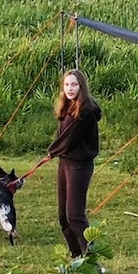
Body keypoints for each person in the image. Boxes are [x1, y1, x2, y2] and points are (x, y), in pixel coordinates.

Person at [40, 68, 102, 259]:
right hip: (65, 163)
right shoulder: (67, 106)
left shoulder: (86, 111)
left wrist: (52, 152)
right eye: (67, 84)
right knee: (64, 218)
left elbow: (69, 138)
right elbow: (62, 136)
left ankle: (91, 260)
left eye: (74, 84)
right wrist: (56, 153)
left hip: (79, 166)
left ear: (81, 86)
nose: (70, 88)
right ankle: (76, 257)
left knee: (75, 216)